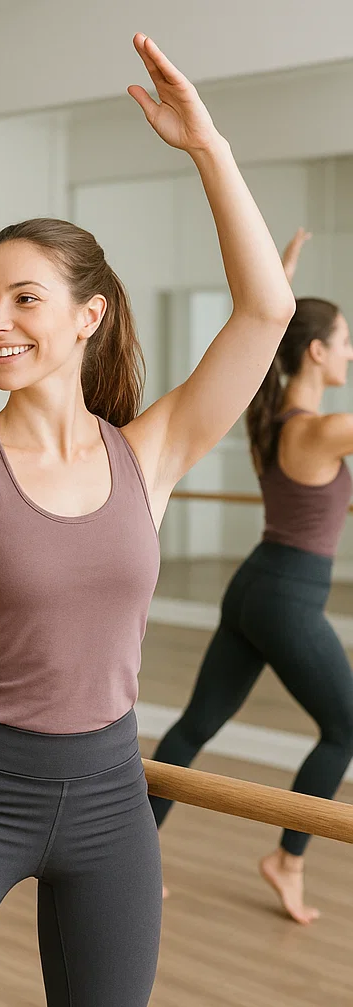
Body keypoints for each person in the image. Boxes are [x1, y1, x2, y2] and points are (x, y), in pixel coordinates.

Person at [0, 34, 295, 1007]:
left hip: (112, 802)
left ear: (88, 317)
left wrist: (207, 147)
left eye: (24, 298)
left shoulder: (146, 454)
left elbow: (266, 308)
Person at [150, 228, 353, 926]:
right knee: (346, 728)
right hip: (286, 597)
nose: (352, 353)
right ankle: (288, 858)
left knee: (198, 723)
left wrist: (278, 286)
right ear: (319, 351)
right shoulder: (318, 431)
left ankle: (136, 851)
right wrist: (279, 294)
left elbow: (264, 349)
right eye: (346, 341)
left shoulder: (277, 418)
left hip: (258, 588)